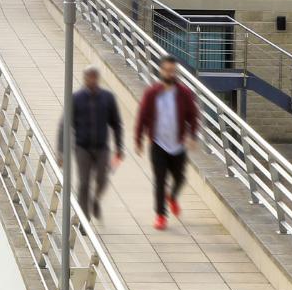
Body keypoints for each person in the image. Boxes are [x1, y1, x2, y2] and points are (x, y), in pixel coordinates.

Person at [134, 55, 199, 230]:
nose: (170, 74)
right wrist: (138, 140)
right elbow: (142, 117)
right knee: (160, 181)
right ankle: (161, 215)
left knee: (180, 178)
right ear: (161, 71)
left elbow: (193, 116)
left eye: (173, 71)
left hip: (177, 145)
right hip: (158, 144)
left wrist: (192, 136)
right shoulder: (152, 93)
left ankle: (172, 197)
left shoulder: (184, 93)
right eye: (167, 70)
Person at [66, 65, 123, 220]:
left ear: (98, 78)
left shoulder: (107, 98)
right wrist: (61, 150)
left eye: (94, 77)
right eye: (88, 77)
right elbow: (66, 124)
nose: (91, 80)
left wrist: (119, 146)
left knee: (102, 180)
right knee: (84, 183)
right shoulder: (76, 98)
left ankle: (96, 199)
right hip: (82, 148)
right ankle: (84, 218)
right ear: (84, 79)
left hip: (102, 147)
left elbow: (116, 123)